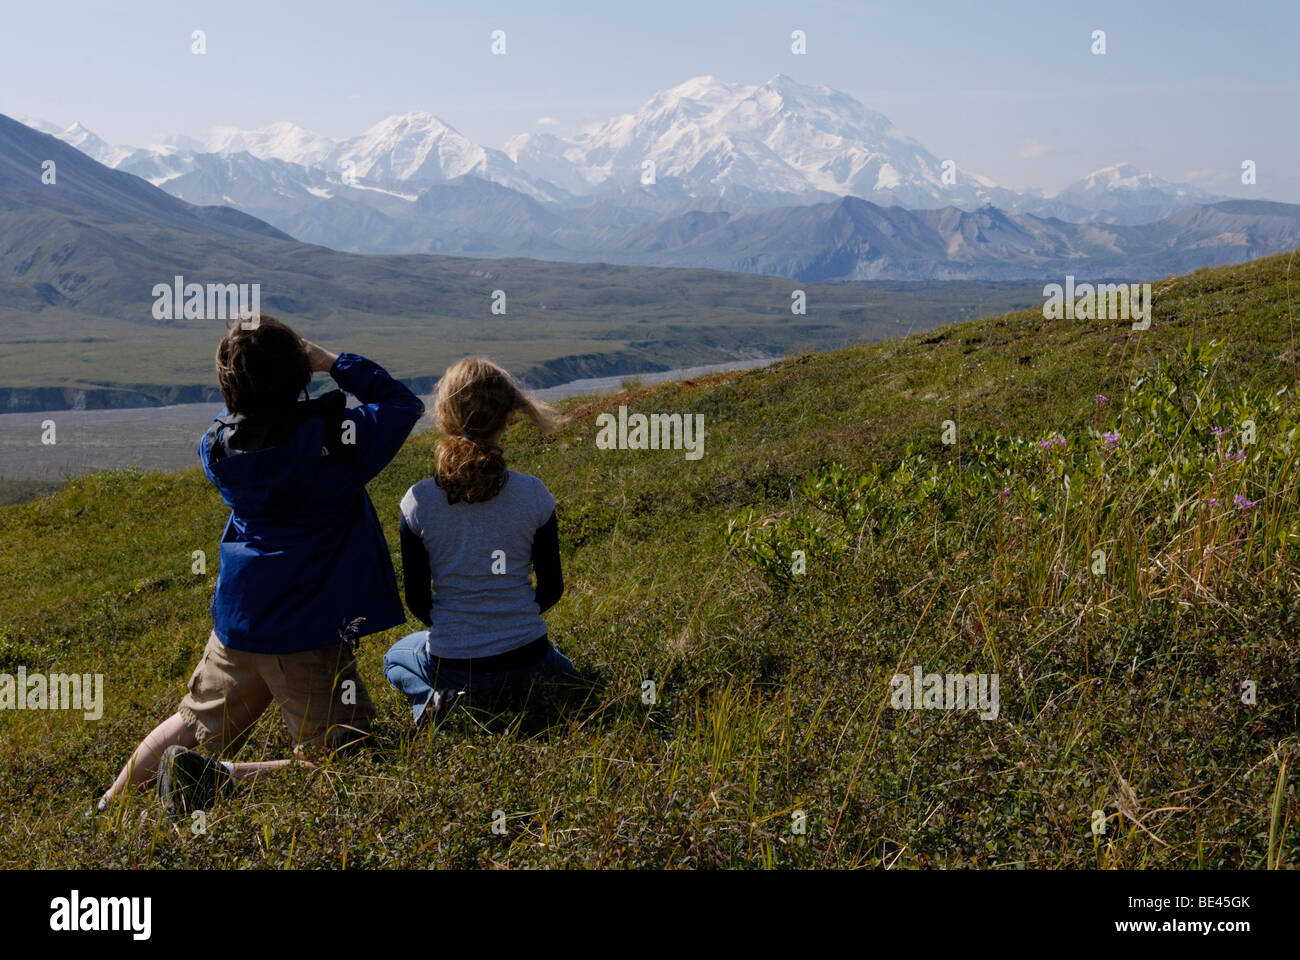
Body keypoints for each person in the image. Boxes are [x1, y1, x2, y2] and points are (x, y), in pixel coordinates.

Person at [98, 315, 423, 816]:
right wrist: (333, 362)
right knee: (347, 761)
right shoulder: (336, 443)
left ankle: (107, 807)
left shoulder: (215, 448)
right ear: (298, 374)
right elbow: (403, 404)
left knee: (190, 721)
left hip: (239, 621)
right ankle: (218, 777)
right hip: (304, 632)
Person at [383, 356, 575, 727]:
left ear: (445, 415)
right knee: (566, 670)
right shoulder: (534, 494)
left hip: (453, 663)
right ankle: (532, 688)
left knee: (395, 656)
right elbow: (552, 587)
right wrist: (510, 621)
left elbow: (419, 600)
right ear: (508, 417)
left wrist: (463, 630)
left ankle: (434, 700)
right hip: (528, 654)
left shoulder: (418, 502)